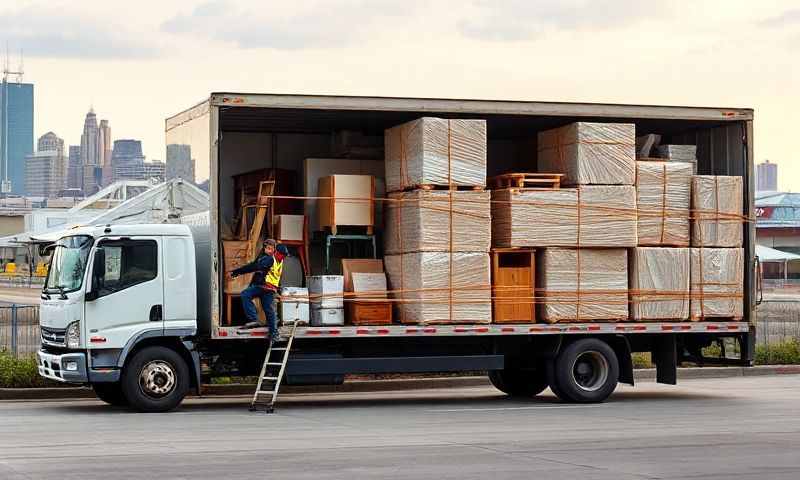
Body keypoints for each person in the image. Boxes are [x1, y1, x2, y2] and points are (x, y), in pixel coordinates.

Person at [230, 239, 288, 343]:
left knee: (245, 294)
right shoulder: (277, 260)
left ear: (275, 251)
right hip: (269, 289)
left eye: (272, 249)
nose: (270, 251)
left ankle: (255, 320)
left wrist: (237, 272)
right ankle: (274, 334)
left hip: (264, 287)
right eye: (268, 248)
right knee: (269, 311)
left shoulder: (270, 259)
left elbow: (253, 267)